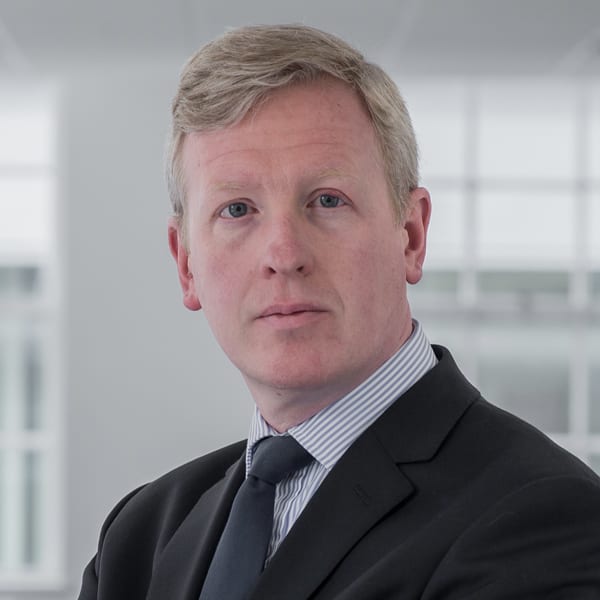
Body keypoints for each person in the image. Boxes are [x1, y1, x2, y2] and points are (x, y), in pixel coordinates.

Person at [78, 24, 600, 600]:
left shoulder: (542, 517)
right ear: (186, 264)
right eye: (237, 209)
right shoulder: (140, 537)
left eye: (327, 200)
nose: (284, 255)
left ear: (411, 235)